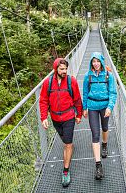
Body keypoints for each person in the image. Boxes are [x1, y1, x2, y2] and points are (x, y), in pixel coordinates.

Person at [39, 58, 82, 187]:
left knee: (67, 144)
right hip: (55, 118)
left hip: (69, 116)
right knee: (65, 141)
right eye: (62, 69)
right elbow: (43, 100)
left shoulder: (71, 81)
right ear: (55, 69)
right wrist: (43, 117)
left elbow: (77, 99)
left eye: (65, 69)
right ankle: (68, 146)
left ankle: (65, 171)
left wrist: (78, 114)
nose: (64, 71)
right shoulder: (48, 83)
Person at [83, 52, 117, 180]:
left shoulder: (109, 76)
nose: (96, 63)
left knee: (105, 128)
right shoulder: (88, 76)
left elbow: (113, 92)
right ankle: (98, 165)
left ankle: (105, 144)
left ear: (101, 62)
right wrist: (84, 108)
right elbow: (85, 92)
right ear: (91, 62)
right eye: (93, 61)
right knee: (95, 133)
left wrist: (110, 107)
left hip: (104, 106)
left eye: (98, 61)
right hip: (92, 106)